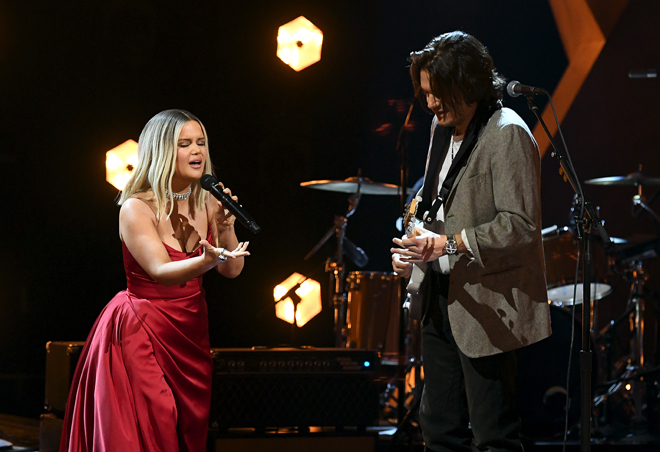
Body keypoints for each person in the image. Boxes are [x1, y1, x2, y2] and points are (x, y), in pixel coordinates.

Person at [390, 31, 551, 452]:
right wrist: (412, 242)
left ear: (469, 83)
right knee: (438, 431)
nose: (431, 103)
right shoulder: (440, 126)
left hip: (487, 302)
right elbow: (433, 198)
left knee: (493, 435)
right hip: (439, 296)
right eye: (426, 93)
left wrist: (448, 244)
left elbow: (521, 225)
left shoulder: (507, 132)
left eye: (438, 93)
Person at [60, 109, 250, 452]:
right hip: (142, 328)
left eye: (201, 142)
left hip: (190, 330)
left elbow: (232, 270)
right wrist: (207, 260)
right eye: (184, 144)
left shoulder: (209, 200)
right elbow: (161, 272)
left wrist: (225, 228)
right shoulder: (136, 208)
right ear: (161, 150)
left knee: (185, 426)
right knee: (157, 417)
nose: (197, 151)